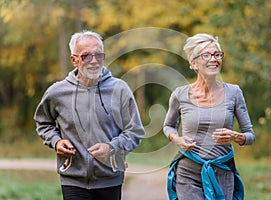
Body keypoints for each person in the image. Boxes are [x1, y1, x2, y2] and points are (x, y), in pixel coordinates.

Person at [34, 30, 145, 200]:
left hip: (110, 178)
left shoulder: (119, 89)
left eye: (99, 55)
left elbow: (135, 130)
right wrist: (57, 142)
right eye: (86, 56)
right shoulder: (57, 92)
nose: (94, 61)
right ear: (74, 60)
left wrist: (112, 148)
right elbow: (44, 124)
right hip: (73, 179)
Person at [164, 33, 255, 200]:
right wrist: (176, 139)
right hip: (188, 172)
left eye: (217, 54)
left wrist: (237, 136)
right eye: (206, 55)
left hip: (222, 171)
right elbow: (168, 126)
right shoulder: (180, 94)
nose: (214, 59)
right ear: (193, 63)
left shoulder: (234, 93)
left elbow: (250, 135)